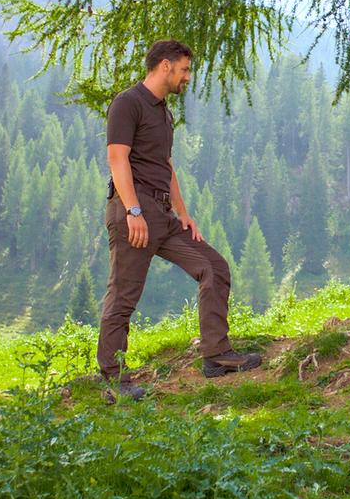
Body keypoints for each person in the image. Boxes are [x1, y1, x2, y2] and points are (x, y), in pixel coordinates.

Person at [98, 39, 262, 398]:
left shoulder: (162, 111)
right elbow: (117, 159)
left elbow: (166, 166)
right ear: (165, 66)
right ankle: (113, 380)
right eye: (185, 69)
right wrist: (133, 211)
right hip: (134, 211)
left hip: (163, 214)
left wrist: (184, 214)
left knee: (213, 267)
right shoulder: (128, 103)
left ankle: (216, 355)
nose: (188, 77)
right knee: (123, 296)